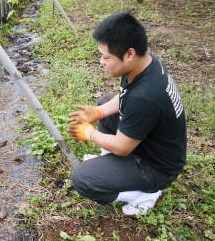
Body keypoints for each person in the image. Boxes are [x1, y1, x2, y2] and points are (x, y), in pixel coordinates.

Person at [68, 12, 187, 216]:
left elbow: (122, 147)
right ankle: (111, 166)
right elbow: (124, 96)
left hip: (156, 168)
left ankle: (144, 195)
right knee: (105, 103)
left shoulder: (146, 96)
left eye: (106, 57)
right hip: (153, 144)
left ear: (129, 54)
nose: (101, 62)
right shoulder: (146, 64)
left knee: (83, 179)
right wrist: (98, 112)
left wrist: (89, 133)